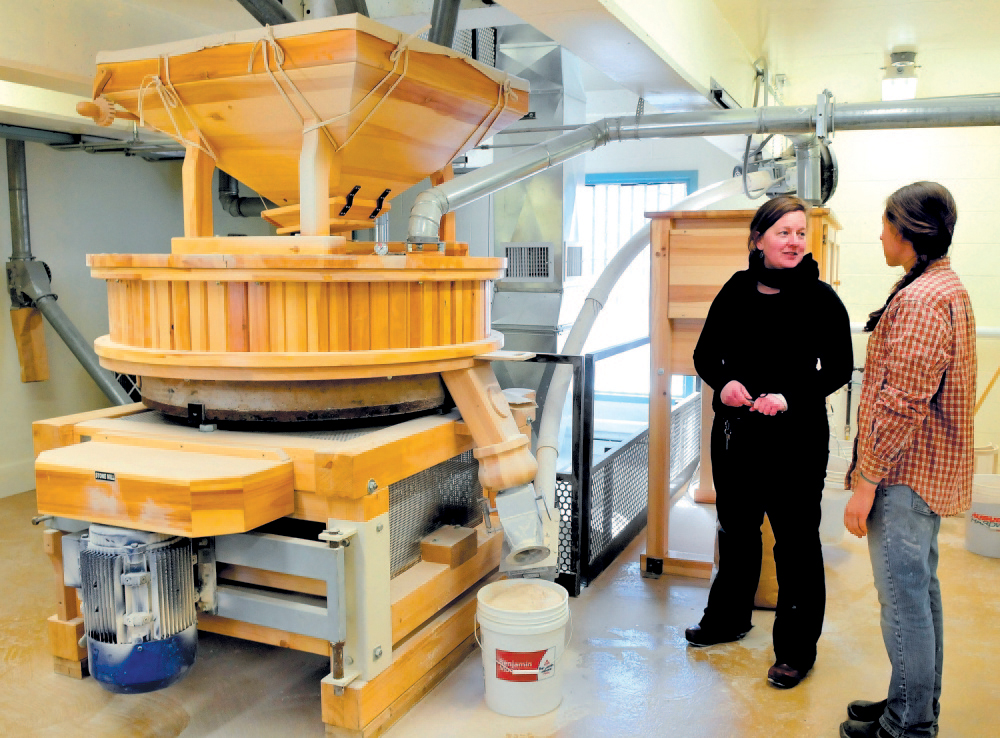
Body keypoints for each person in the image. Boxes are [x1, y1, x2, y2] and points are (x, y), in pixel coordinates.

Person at [685, 195, 854, 689]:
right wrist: (727, 383)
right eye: (784, 232)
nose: (795, 241)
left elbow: (838, 369)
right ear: (758, 240)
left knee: (796, 544)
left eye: (801, 233)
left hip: (796, 441)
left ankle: (796, 651)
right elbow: (704, 356)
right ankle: (728, 618)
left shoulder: (820, 299)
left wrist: (788, 396)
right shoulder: (736, 290)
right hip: (738, 437)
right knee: (736, 531)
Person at [840, 182, 975, 738]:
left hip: (905, 477)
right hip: (922, 474)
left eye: (886, 222)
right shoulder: (938, 285)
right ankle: (913, 701)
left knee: (903, 604)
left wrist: (865, 483)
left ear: (910, 233)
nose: (879, 232)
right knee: (920, 594)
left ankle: (909, 725)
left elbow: (901, 407)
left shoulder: (921, 301)